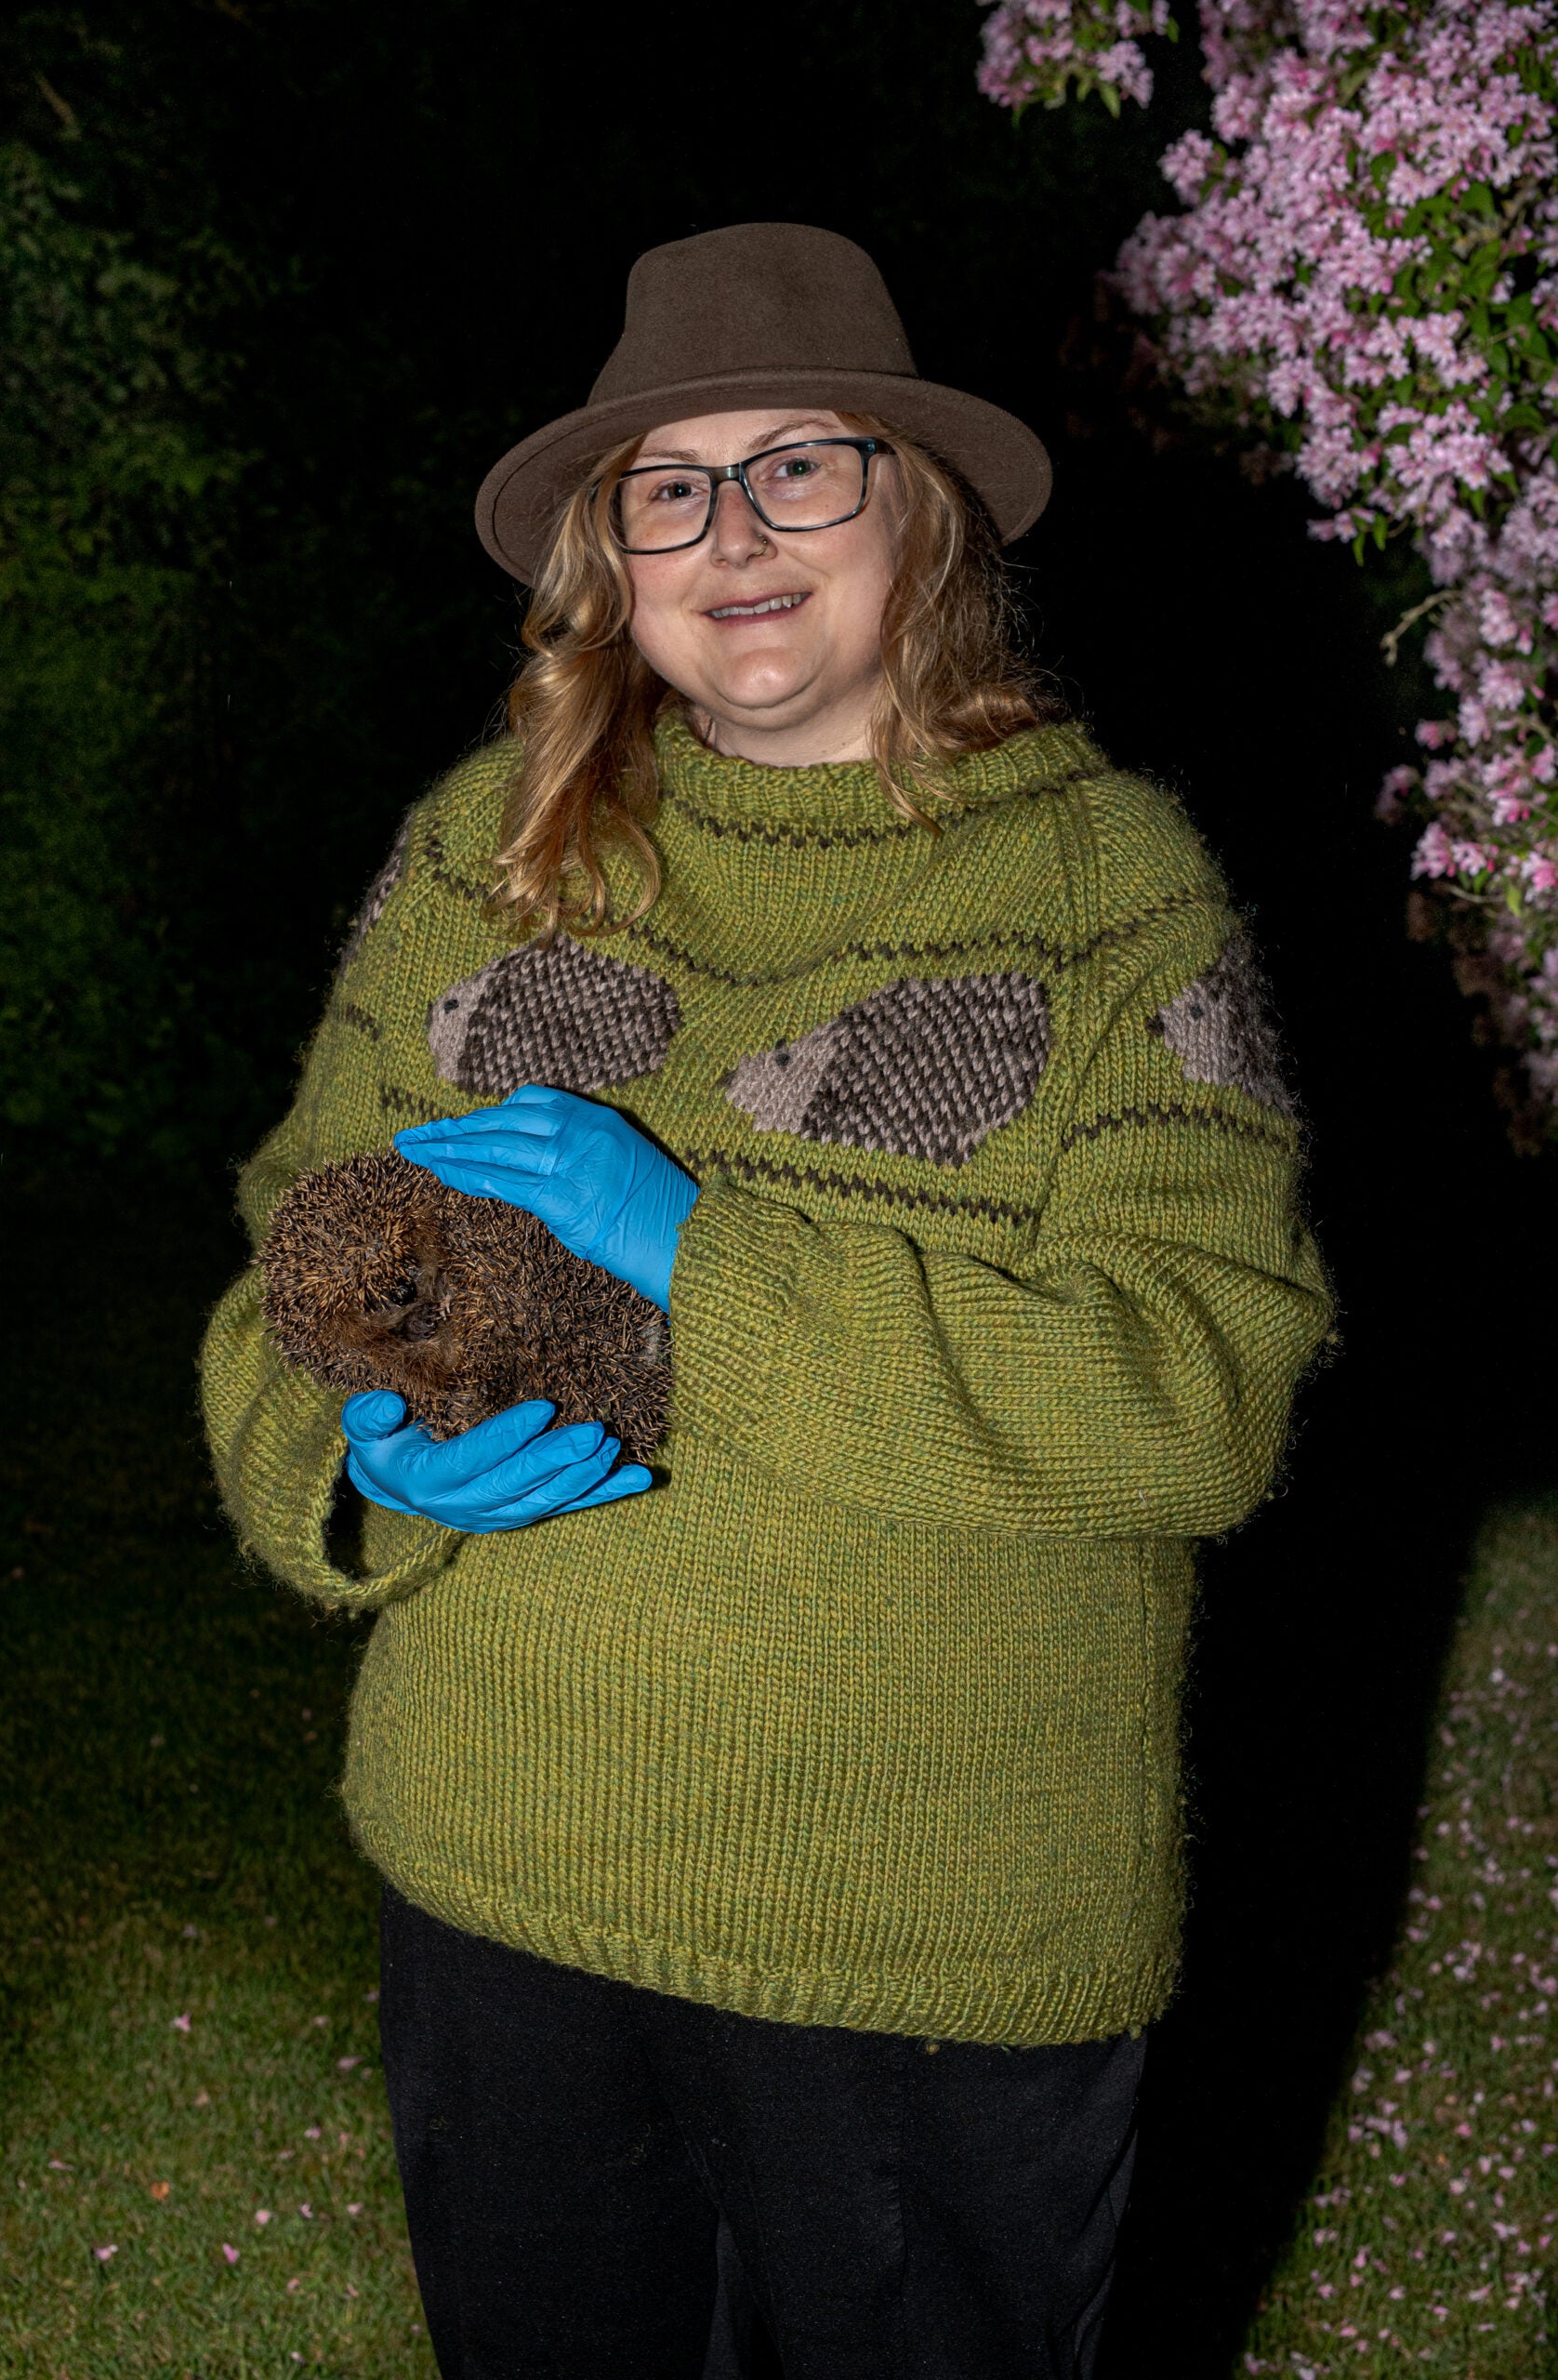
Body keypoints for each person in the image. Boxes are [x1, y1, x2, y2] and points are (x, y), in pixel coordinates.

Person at [201, 221, 1332, 2379]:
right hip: (501, 1866)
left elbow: (1195, 1393)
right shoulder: (486, 850)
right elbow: (292, 1233)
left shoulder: (1108, 892)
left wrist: (696, 1252)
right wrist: (342, 1456)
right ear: (602, 557)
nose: (733, 530)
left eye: (799, 465)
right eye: (669, 485)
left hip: (926, 1930)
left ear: (918, 506)